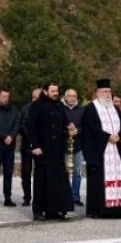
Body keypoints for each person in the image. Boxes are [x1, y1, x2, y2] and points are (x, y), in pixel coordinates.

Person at [26, 82, 75, 220]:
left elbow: (64, 123)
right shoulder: (37, 105)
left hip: (57, 149)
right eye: (52, 91)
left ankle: (54, 209)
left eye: (57, 91)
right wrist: (35, 146)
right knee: (41, 181)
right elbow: (31, 127)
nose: (55, 93)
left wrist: (70, 128)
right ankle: (38, 210)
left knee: (57, 181)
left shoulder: (60, 106)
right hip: (42, 149)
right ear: (45, 91)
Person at [80, 79, 121, 218]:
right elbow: (89, 130)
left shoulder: (115, 109)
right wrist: (107, 137)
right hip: (100, 153)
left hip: (116, 152)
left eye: (109, 92)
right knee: (97, 182)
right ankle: (97, 210)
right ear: (97, 93)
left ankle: (116, 209)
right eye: (104, 92)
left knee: (117, 180)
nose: (107, 94)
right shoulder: (90, 108)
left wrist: (119, 136)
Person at [18, 87, 41, 206]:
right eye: (33, 97)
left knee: (40, 172)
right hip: (27, 145)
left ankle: (39, 197)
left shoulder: (44, 109)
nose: (35, 100)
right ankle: (27, 197)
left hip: (41, 147)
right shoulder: (25, 109)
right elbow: (21, 125)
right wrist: (31, 138)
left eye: (37, 97)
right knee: (26, 172)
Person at [62, 88, 84, 206]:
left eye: (74, 96)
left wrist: (77, 130)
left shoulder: (82, 110)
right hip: (64, 146)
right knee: (65, 173)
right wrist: (67, 131)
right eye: (69, 96)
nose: (72, 98)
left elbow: (86, 126)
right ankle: (66, 196)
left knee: (77, 173)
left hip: (78, 146)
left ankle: (75, 196)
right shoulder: (60, 109)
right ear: (65, 98)